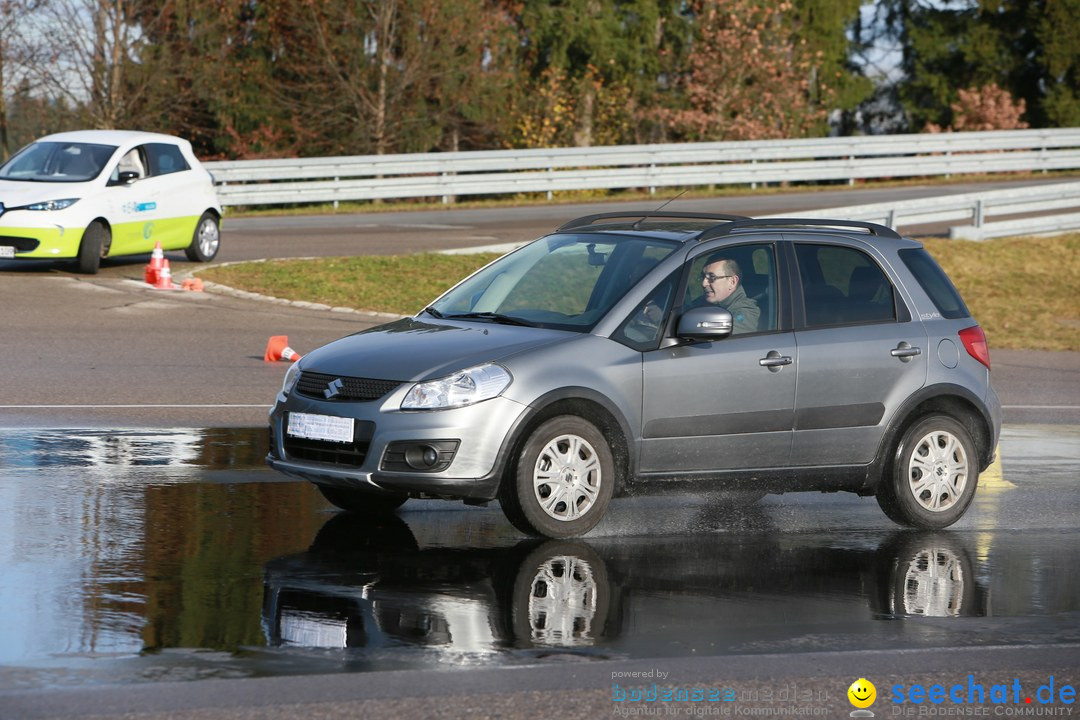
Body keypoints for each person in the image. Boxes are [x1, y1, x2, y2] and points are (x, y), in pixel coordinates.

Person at [698, 256, 759, 334]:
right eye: (703, 277)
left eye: (712, 277)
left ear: (732, 282)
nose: (704, 283)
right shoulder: (704, 302)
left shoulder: (746, 312)